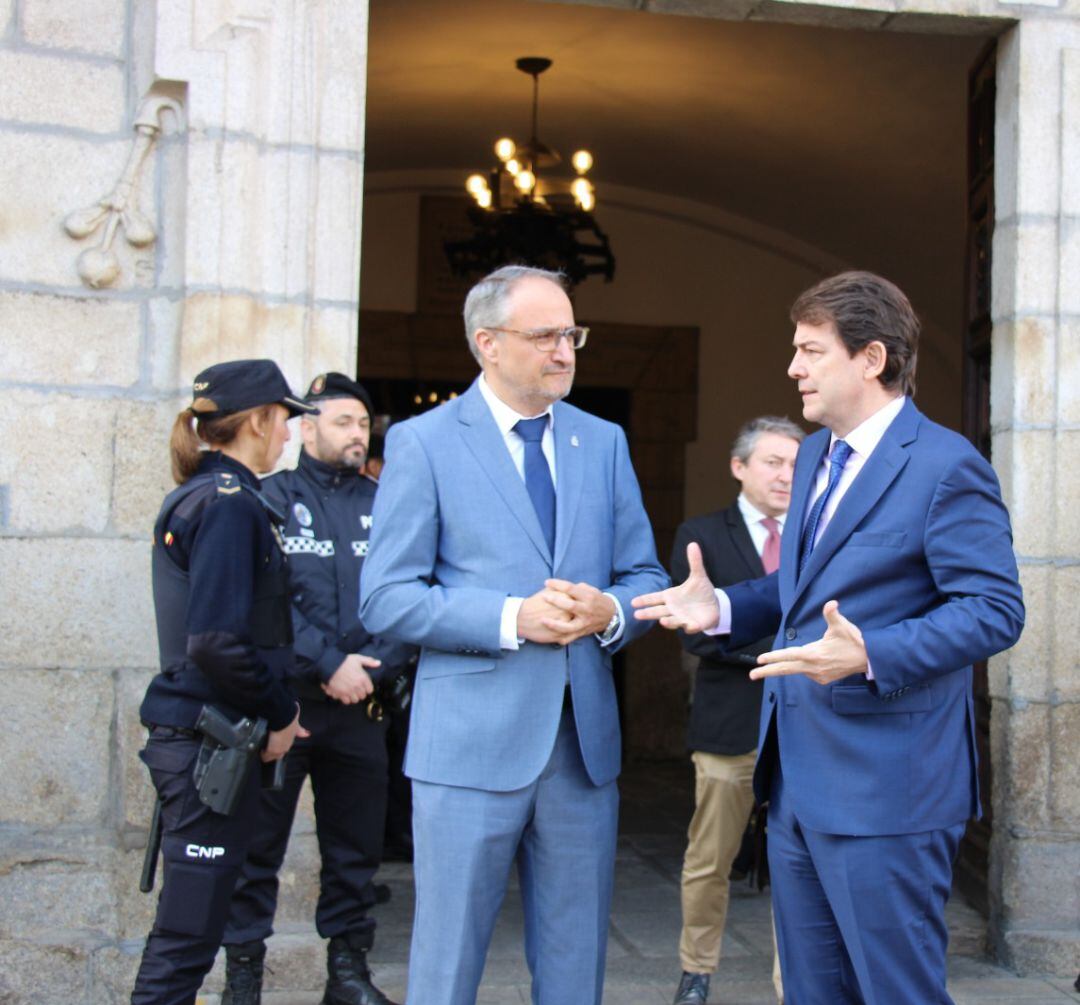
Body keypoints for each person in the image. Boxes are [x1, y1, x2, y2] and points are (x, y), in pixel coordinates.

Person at [633, 271, 1025, 1005]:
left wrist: (873, 651)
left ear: (871, 358)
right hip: (797, 785)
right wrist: (718, 604)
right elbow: (801, 589)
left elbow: (995, 608)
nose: (793, 368)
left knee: (894, 992)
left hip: (890, 792)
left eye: (811, 351)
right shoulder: (814, 454)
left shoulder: (947, 466)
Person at [359, 264, 669, 1005]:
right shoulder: (424, 442)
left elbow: (646, 575)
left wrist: (611, 611)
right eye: (545, 335)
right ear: (487, 343)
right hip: (467, 744)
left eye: (572, 334)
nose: (565, 350)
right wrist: (510, 617)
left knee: (574, 960)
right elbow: (386, 598)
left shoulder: (604, 442)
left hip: (580, 747)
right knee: (447, 961)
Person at [220, 372, 411, 1005]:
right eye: (343, 422)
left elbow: (410, 594)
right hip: (286, 709)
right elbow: (258, 601)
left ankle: (348, 975)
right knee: (256, 851)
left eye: (363, 424)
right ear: (307, 428)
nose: (358, 434)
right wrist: (329, 661)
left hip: (362, 708)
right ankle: (243, 978)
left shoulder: (387, 502)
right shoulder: (268, 499)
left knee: (355, 850)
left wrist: (374, 666)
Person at [132, 359, 314, 1005]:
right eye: (286, 420)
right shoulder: (231, 505)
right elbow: (215, 642)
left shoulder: (207, 495)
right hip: (210, 741)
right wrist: (281, 712)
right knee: (186, 937)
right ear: (260, 420)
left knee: (191, 929)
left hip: (206, 738)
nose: (289, 435)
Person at [672, 416, 803, 1005]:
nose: (786, 475)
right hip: (731, 724)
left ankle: (792, 982)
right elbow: (694, 634)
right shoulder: (701, 534)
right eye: (773, 462)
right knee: (710, 858)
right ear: (739, 467)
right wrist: (783, 653)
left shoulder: (817, 534)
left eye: (797, 465)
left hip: (806, 727)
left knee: (801, 864)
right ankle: (696, 970)